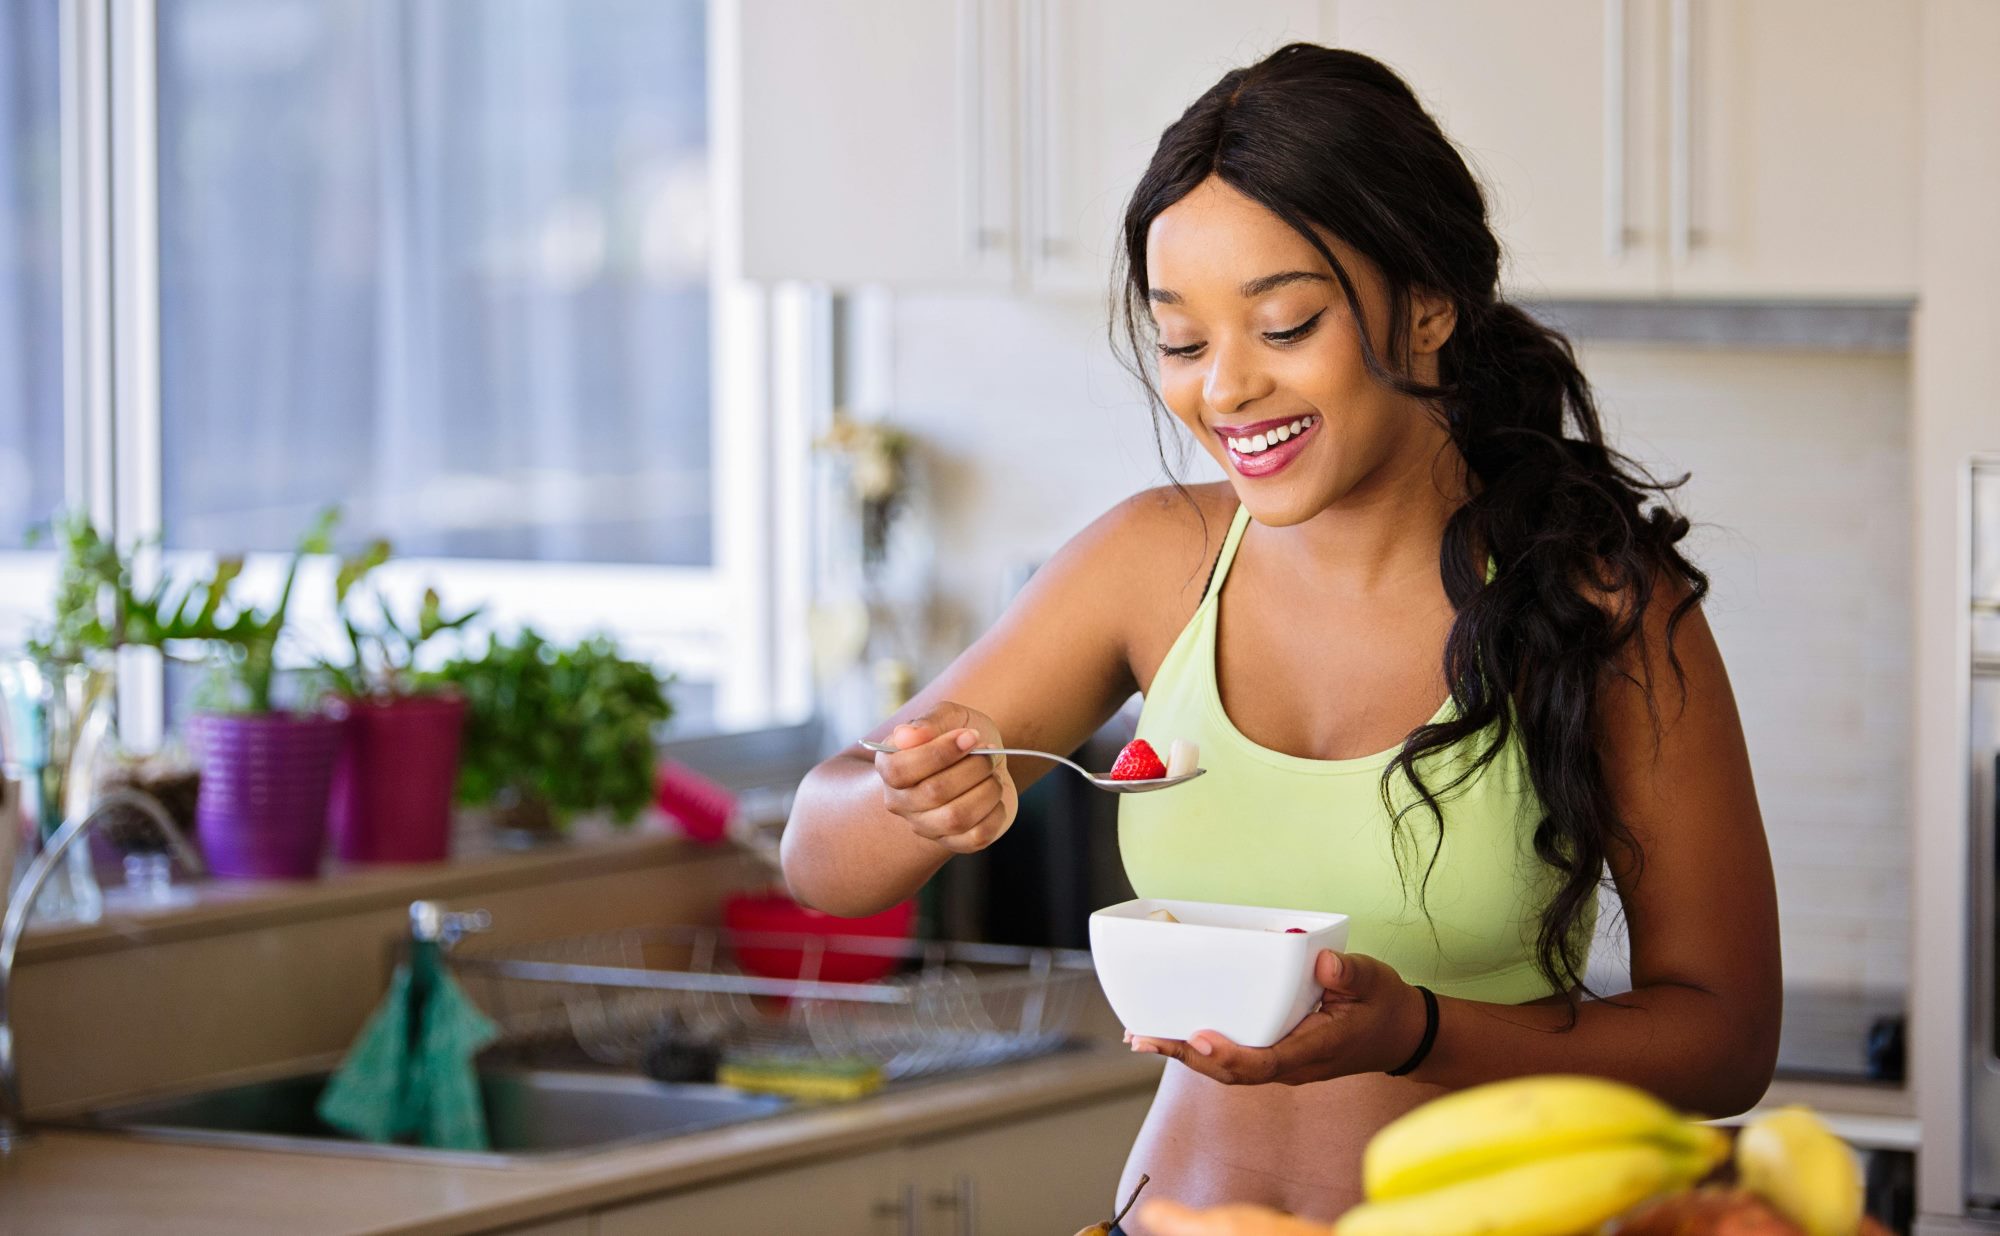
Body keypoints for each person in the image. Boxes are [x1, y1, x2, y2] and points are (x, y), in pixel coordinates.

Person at [781, 42, 1781, 1232]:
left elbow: (1725, 1039)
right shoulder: (1150, 563)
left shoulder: (1596, 604)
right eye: (1184, 343)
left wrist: (1418, 1030)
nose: (1226, 391)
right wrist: (907, 801)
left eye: (1284, 324)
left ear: (1426, 309)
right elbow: (816, 859)